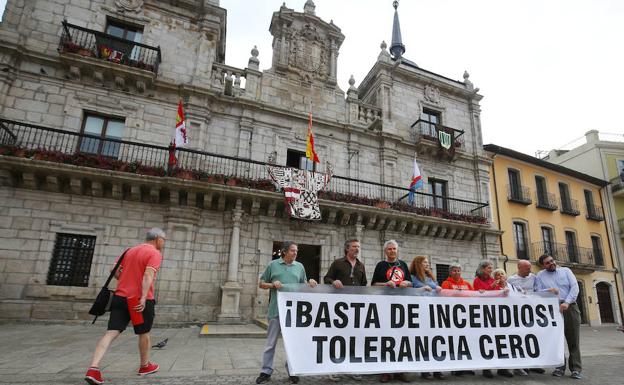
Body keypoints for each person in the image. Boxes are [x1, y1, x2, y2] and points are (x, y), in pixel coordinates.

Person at [84, 228, 166, 385]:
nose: (164, 242)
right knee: (144, 333)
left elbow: (113, 270)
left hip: (120, 297)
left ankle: (93, 368)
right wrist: (142, 297)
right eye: (164, 239)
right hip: (139, 300)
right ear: (157, 239)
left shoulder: (129, 251)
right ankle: (144, 366)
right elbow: (148, 275)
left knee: (111, 332)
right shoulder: (154, 253)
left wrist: (124, 279)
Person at [256, 241, 318, 385]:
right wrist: (272, 285)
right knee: (271, 343)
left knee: (292, 344)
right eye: (292, 251)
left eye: (296, 251)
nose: (295, 253)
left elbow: (303, 284)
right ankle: (265, 371)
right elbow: (261, 283)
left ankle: (292, 371)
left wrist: (311, 282)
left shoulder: (300, 266)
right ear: (284, 252)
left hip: (294, 313)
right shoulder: (273, 265)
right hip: (276, 310)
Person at [324, 239, 366, 382]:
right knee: (338, 338)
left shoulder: (361, 266)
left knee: (354, 338)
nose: (357, 249)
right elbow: (326, 278)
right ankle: (334, 368)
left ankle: (353, 368)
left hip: (356, 307)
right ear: (347, 249)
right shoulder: (338, 263)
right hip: (339, 308)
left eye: (358, 247)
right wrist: (333, 281)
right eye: (354, 246)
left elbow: (364, 284)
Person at [535, 254, 582, 379]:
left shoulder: (566, 271)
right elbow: (537, 291)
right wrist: (548, 291)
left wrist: (567, 302)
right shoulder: (540, 275)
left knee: (573, 340)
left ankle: (575, 369)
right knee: (556, 339)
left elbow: (575, 287)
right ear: (543, 265)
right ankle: (559, 367)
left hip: (570, 307)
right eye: (547, 263)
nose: (551, 263)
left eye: (551, 261)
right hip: (552, 310)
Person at [372, 240, 412, 383]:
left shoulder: (403, 265)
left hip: (401, 306)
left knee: (401, 338)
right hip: (385, 305)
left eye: (394, 249)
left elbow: (410, 282)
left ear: (397, 251)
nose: (392, 251)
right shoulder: (381, 266)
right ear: (385, 251)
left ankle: (400, 370)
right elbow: (374, 284)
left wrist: (405, 283)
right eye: (389, 249)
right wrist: (385, 284)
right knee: (385, 338)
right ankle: (385, 371)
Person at [507, 259, 551, 375]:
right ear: (519, 268)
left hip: (532, 312)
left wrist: (549, 291)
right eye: (527, 268)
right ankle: (521, 365)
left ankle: (533, 364)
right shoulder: (511, 280)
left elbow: (538, 291)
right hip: (517, 313)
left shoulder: (533, 277)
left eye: (530, 268)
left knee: (533, 337)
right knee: (521, 338)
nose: (530, 270)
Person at [473, 261, 513, 378]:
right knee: (487, 340)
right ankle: (487, 368)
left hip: (497, 313)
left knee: (501, 339)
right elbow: (480, 293)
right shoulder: (477, 280)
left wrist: (503, 289)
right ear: (482, 269)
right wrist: (492, 287)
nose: (491, 270)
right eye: (489, 268)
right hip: (484, 313)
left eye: (491, 268)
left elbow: (500, 292)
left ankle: (502, 367)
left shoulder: (492, 280)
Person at [409, 255, 443, 380]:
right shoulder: (412, 278)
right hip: (420, 312)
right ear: (418, 264)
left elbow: (437, 290)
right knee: (423, 341)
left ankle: (437, 369)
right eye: (425, 262)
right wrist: (422, 289)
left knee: (435, 340)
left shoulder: (431, 277)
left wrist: (439, 289)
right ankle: (425, 369)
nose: (427, 264)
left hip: (433, 311)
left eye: (428, 262)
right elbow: (409, 292)